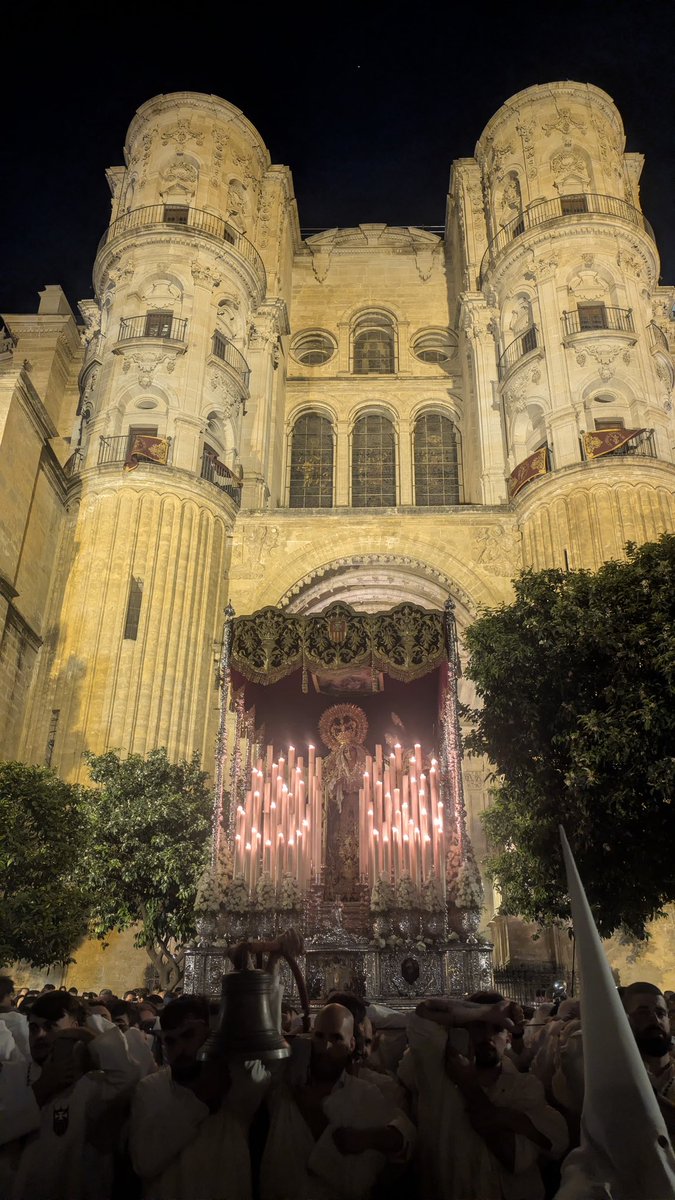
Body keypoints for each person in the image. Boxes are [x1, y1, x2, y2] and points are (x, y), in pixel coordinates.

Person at [409, 992, 568, 1199]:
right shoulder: (438, 1077)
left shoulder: (525, 1087)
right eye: (478, 1026)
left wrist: (468, 1086)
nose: (486, 1036)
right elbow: (422, 1013)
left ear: (508, 1037)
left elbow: (514, 1158)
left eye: (496, 1028)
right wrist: (488, 1012)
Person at [261, 1002, 412, 1200]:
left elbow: (361, 1180)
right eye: (320, 1036)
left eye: (336, 1038)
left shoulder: (365, 1096)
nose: (325, 1047)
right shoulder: (286, 1088)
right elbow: (263, 1034)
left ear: (351, 1045)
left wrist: (318, 1118)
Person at [0, 989, 140, 1199]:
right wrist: (41, 1089)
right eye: (34, 1028)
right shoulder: (11, 1074)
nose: (39, 1035)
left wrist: (88, 1035)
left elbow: (128, 1077)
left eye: (50, 1027)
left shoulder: (90, 1083)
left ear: (75, 1028)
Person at [130, 994, 268, 1199]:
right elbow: (144, 1161)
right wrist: (199, 1097)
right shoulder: (150, 1089)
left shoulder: (235, 1084)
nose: (180, 1049)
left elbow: (260, 1070)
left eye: (188, 1035)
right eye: (171, 1041)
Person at [622, 981, 675, 1137]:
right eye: (643, 1013)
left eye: (660, 1013)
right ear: (625, 1020)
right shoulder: (616, 1079)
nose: (655, 1020)